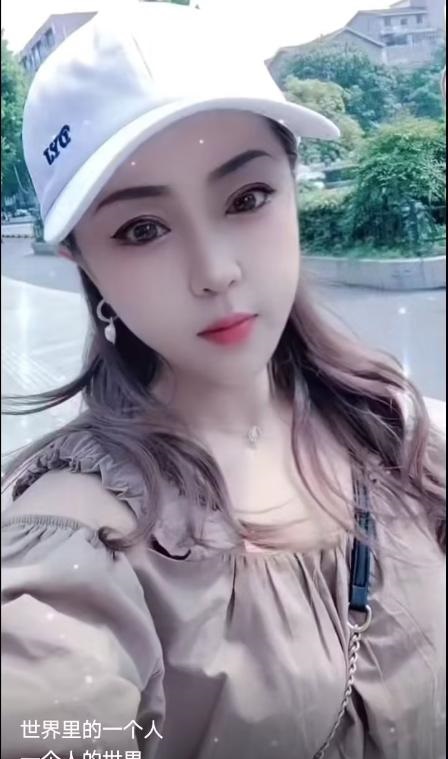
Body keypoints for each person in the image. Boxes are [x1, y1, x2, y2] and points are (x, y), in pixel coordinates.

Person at [1, 4, 445, 759]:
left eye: (247, 198)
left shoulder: (395, 429)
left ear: (291, 185)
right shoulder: (73, 540)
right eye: (142, 229)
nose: (215, 271)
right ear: (83, 261)